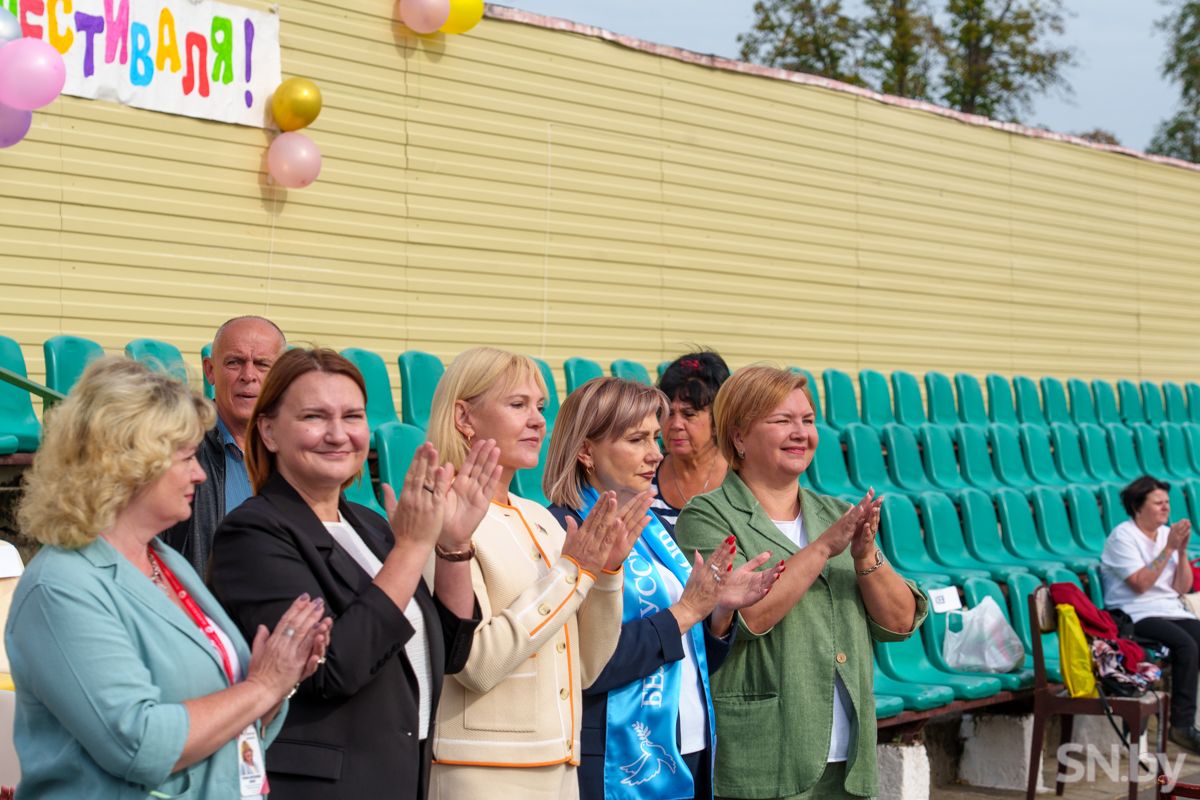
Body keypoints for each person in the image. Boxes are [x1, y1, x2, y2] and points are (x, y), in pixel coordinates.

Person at [7, 357, 328, 799]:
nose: (200, 473)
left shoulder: (165, 561)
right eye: (187, 457)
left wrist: (280, 680)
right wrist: (263, 685)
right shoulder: (60, 587)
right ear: (130, 464)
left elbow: (225, 722)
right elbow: (140, 744)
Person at [210, 347, 490, 799]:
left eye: (352, 416)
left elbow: (449, 654)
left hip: (401, 778)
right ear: (269, 431)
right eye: (314, 417)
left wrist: (453, 545)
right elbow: (331, 670)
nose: (338, 434)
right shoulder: (252, 533)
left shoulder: (370, 526)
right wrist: (412, 548)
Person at [675, 365, 927, 800]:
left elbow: (901, 622)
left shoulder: (834, 513)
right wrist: (824, 548)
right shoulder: (707, 516)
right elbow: (749, 617)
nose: (801, 433)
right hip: (766, 757)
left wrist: (865, 556)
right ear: (738, 436)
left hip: (848, 759)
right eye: (782, 420)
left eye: (807, 421)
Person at [542, 377, 784, 800]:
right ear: (585, 451)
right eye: (637, 439)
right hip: (616, 758)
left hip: (688, 743)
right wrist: (686, 612)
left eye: (655, 438)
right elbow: (584, 666)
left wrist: (719, 610)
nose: (656, 453)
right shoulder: (561, 531)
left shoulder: (653, 526)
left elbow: (688, 652)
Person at [426, 347, 647, 800]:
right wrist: (571, 573)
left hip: (560, 768)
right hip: (480, 773)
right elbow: (476, 665)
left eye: (541, 407)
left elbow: (585, 669)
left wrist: (606, 573)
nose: (538, 421)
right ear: (464, 418)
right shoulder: (438, 514)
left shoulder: (540, 518)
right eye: (518, 404)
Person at [163, 315, 287, 575]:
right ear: (210, 370)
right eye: (234, 362)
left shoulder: (299, 452)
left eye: (262, 364)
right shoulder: (177, 448)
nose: (248, 376)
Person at [1100, 475, 1200, 752]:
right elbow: (1140, 584)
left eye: (1167, 502)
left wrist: (1181, 552)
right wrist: (1169, 549)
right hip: (1134, 613)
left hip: (1170, 608)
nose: (1166, 508)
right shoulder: (1123, 537)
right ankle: (1181, 726)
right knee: (1186, 645)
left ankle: (1188, 720)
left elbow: (1182, 587)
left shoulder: (1167, 535)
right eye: (1158, 503)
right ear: (1137, 507)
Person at [652, 352, 731, 533]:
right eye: (669, 413)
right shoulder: (645, 477)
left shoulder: (742, 479)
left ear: (718, 419)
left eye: (688, 414)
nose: (676, 424)